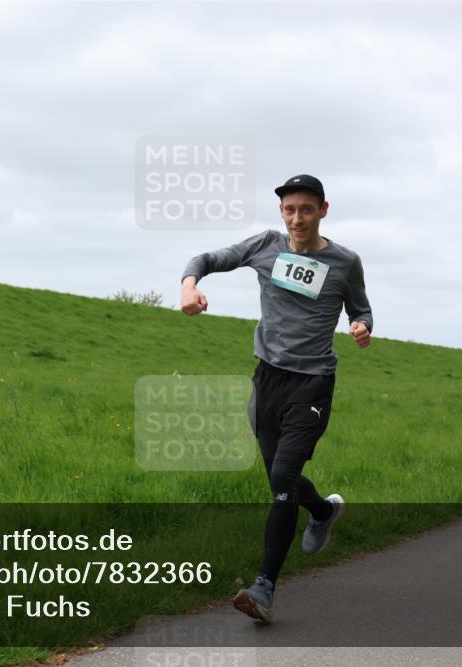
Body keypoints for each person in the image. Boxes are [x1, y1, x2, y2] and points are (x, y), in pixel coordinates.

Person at [180, 174, 373, 624]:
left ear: (323, 210)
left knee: (285, 474)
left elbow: (360, 307)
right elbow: (206, 258)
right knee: (279, 482)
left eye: (306, 209)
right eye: (289, 210)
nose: (297, 218)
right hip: (267, 380)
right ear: (281, 212)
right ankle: (323, 510)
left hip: (312, 382)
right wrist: (190, 286)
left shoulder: (345, 262)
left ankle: (263, 587)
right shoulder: (266, 245)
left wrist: (362, 326)